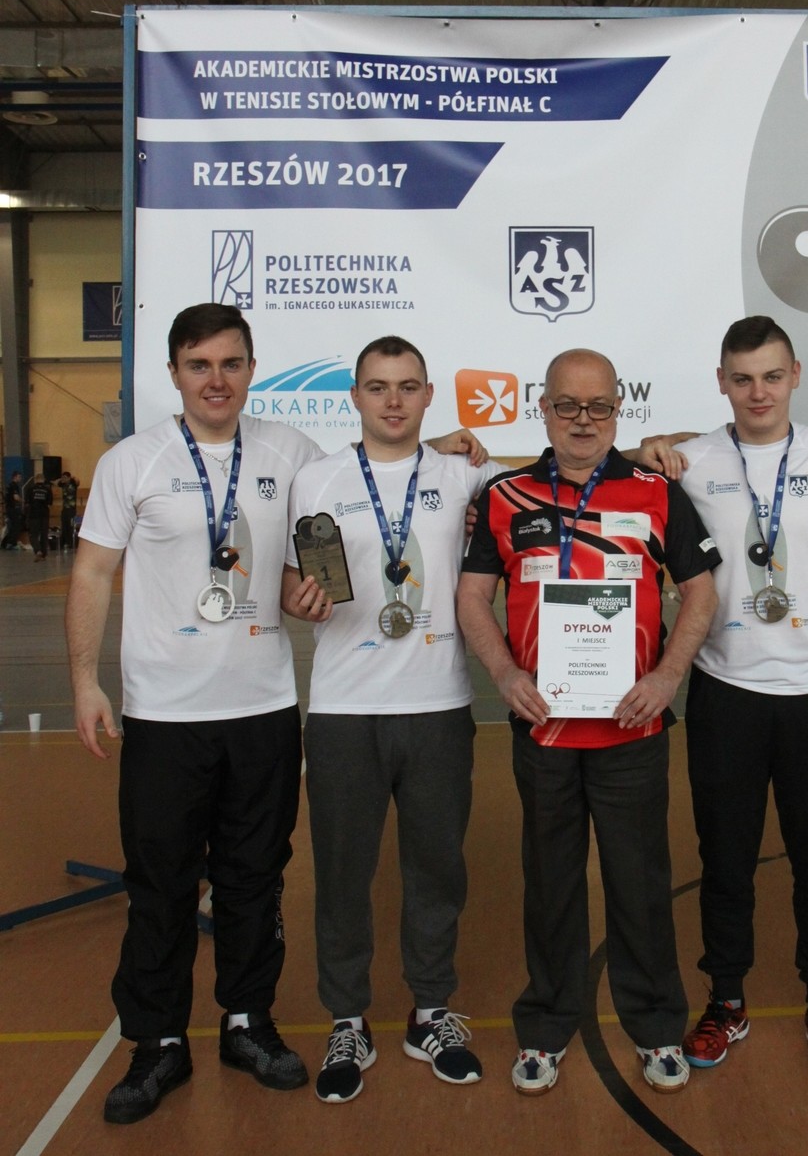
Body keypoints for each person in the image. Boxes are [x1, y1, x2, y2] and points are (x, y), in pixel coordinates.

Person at [66, 302, 327, 1124]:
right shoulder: (132, 461)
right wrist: (84, 680)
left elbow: (342, 519)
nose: (217, 379)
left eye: (231, 363)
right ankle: (158, 1041)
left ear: (251, 369)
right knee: (162, 884)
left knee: (256, 877)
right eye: (199, 364)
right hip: (163, 716)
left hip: (262, 709)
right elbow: (91, 573)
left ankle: (248, 1022)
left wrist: (314, 588)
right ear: (175, 372)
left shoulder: (291, 452)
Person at [457, 348, 720, 1096]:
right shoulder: (503, 495)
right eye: (567, 405)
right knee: (550, 887)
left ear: (617, 410)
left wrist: (667, 676)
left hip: (632, 731)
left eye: (598, 405)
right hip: (543, 732)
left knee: (641, 885)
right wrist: (504, 674)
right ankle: (545, 1027)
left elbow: (701, 593)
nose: (583, 420)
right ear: (543, 409)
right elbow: (472, 596)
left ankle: (657, 1024)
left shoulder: (657, 491)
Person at [282, 335, 498, 1104]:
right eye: (378, 386)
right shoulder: (317, 479)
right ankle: (347, 1019)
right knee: (342, 873)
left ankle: (430, 1012)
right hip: (345, 708)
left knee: (436, 868)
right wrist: (299, 599)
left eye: (408, 386)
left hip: (438, 705)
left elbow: (559, 473)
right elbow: (296, 581)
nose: (394, 400)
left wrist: (654, 447)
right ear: (356, 396)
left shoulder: (465, 474)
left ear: (430, 394)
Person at [666, 317, 808, 1077]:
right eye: (743, 378)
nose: (758, 392)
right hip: (728, 692)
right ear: (721, 381)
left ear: (796, 375)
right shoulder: (691, 461)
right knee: (726, 858)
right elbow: (614, 463)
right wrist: (654, 445)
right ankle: (726, 998)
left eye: (772, 376)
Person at [25, 472, 53, 560]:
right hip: (44, 515)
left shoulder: (30, 489)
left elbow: (27, 503)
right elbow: (49, 504)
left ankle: (38, 551)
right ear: (43, 480)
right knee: (44, 534)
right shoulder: (48, 489)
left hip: (34, 514)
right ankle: (44, 554)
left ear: (35, 479)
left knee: (33, 534)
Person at [2, 469, 25, 549]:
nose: (20, 478)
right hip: (13, 508)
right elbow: (16, 497)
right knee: (17, 525)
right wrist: (23, 501)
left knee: (12, 525)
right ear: (15, 477)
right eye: (19, 477)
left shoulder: (8, 485)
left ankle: (6, 543)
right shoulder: (14, 486)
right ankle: (11, 543)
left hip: (9, 508)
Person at [58, 471, 80, 550]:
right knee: (64, 525)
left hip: (71, 509)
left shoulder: (73, 484)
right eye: (63, 477)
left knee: (70, 526)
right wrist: (61, 479)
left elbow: (78, 482)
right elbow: (57, 483)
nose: (64, 479)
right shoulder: (63, 484)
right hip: (65, 508)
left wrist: (73, 478)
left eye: (65, 477)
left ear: (69, 478)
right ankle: (64, 542)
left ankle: (71, 543)